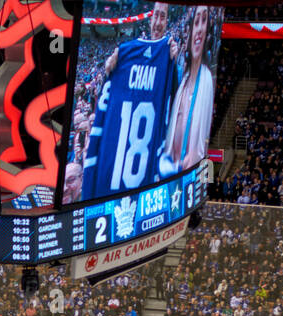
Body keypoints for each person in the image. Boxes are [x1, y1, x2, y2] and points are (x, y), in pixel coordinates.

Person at [83, 2, 179, 200]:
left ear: (168, 21)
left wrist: (173, 65)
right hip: (116, 167)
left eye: (163, 17)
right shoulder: (126, 53)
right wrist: (111, 68)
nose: (158, 22)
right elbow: (105, 96)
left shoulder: (169, 54)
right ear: (150, 19)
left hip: (144, 168)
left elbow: (175, 101)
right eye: (156, 16)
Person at [163, 5, 215, 174]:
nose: (199, 29)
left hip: (186, 175)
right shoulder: (184, 80)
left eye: (204, 21)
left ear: (207, 31)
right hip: (172, 173)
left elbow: (199, 150)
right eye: (196, 21)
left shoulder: (206, 79)